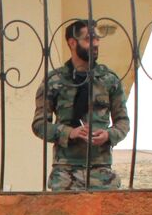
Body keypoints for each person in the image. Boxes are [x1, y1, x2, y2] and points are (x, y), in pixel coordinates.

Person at [31, 19, 130, 190]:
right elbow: (39, 125)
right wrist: (69, 132)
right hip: (65, 173)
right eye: (88, 39)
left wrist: (108, 135)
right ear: (72, 42)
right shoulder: (54, 81)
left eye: (97, 39)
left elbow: (123, 122)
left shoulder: (109, 80)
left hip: (101, 172)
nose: (95, 44)